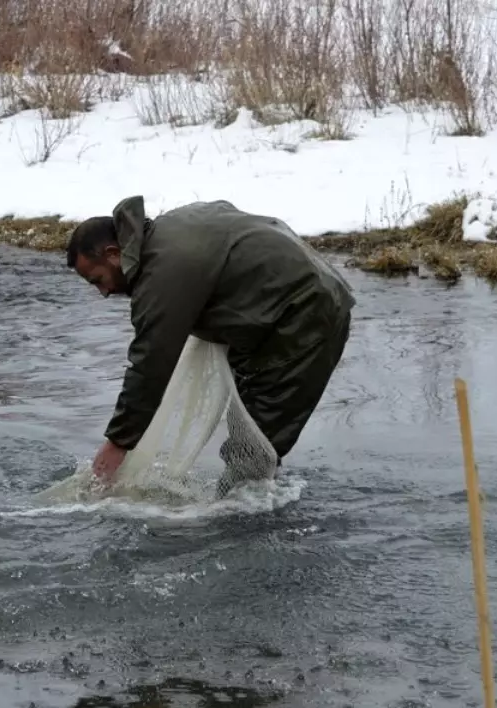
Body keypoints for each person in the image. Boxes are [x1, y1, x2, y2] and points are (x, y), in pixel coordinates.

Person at [66, 195, 355, 492]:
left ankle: (244, 526)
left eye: (98, 279)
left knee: (254, 443)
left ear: (113, 253)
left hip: (306, 316)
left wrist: (117, 443)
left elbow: (150, 363)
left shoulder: (162, 273)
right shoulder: (170, 229)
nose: (104, 292)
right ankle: (253, 502)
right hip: (294, 303)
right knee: (250, 433)